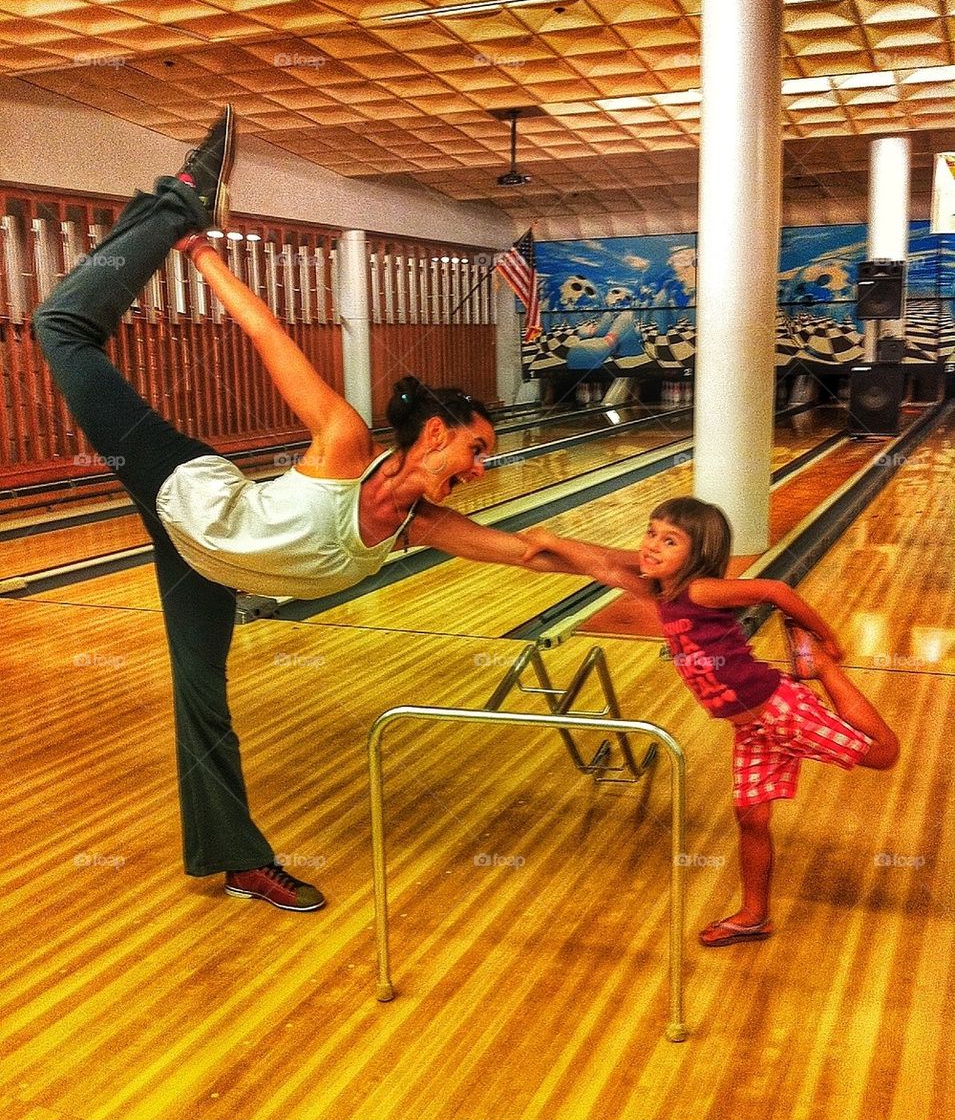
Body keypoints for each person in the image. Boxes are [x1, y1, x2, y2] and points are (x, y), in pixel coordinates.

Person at [32, 107, 601, 913]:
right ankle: (179, 203)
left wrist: (654, 578)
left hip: (202, 561)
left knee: (201, 703)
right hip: (178, 486)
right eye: (474, 450)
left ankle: (236, 861)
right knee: (59, 327)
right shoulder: (341, 443)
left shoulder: (421, 524)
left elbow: (535, 551)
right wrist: (201, 252)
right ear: (432, 434)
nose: (483, 468)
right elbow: (267, 333)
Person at [522, 496, 899, 946]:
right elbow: (602, 566)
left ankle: (824, 670)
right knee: (752, 820)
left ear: (697, 555)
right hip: (751, 728)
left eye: (670, 540)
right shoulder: (662, 594)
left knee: (883, 754)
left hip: (779, 707)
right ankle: (755, 916)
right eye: (651, 532)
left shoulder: (700, 590)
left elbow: (775, 591)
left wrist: (828, 641)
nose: (652, 546)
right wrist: (550, 540)